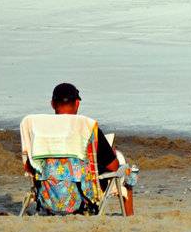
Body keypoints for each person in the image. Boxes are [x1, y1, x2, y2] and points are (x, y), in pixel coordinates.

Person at [29, 81, 134, 215]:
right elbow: (114, 167)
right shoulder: (87, 129)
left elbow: (32, 165)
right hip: (81, 200)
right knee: (126, 171)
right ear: (77, 103)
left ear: (52, 104)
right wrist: (110, 154)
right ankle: (129, 219)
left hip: (47, 198)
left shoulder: (39, 131)